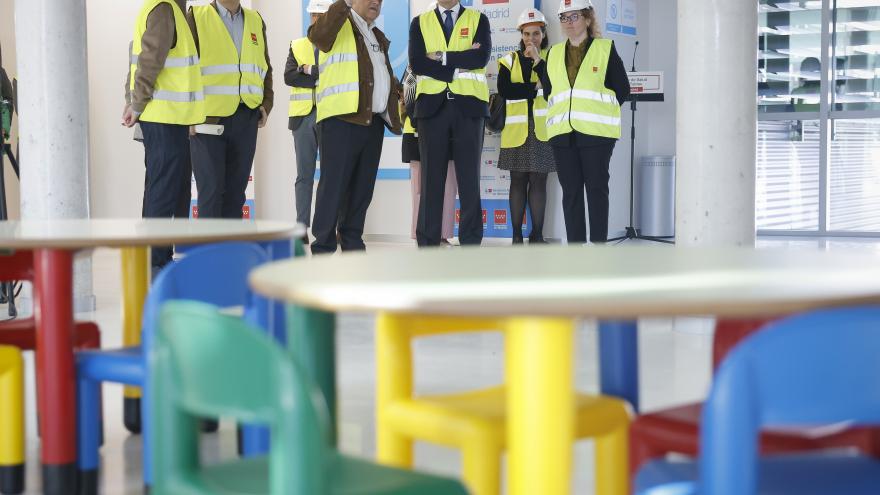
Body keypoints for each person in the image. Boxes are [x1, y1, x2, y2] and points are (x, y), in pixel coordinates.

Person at [308, 0, 402, 254]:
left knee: (361, 190)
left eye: (380, 0)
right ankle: (323, 247)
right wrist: (344, 4)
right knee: (333, 187)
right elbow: (318, 37)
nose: (376, 2)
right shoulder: (339, 21)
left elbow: (378, 75)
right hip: (341, 120)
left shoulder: (375, 34)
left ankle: (352, 243)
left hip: (372, 123)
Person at [534, 0, 629, 244]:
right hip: (562, 134)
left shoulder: (605, 48)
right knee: (571, 193)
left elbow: (622, 90)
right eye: (564, 18)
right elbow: (550, 92)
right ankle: (576, 247)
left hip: (596, 134)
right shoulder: (553, 53)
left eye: (574, 16)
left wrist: (595, 110)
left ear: (587, 19)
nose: (568, 23)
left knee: (596, 190)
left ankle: (598, 245)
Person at [124, 0, 205, 271]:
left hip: (170, 117)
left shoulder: (169, 9)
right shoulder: (164, 8)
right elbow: (148, 61)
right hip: (163, 116)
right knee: (163, 191)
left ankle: (156, 259)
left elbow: (135, 59)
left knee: (162, 188)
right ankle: (155, 262)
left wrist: (133, 101)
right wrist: (136, 104)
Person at [409, 0, 491, 247]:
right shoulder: (419, 22)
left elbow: (480, 57)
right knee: (431, 180)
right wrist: (454, 70)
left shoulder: (478, 19)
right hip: (432, 109)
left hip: (469, 108)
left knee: (469, 179)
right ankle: (428, 240)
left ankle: (471, 240)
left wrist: (441, 56)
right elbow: (418, 62)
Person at [187, 0, 273, 219]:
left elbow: (264, 66)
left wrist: (265, 104)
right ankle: (209, 252)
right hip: (208, 120)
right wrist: (188, 113)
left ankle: (230, 252)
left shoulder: (255, 20)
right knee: (211, 192)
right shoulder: (197, 16)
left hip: (246, 117)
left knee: (236, 194)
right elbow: (185, 68)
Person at [497, 8, 556, 244]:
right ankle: (516, 236)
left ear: (543, 35)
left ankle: (538, 235)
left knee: (539, 182)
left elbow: (552, 88)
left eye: (536, 34)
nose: (531, 39)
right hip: (516, 132)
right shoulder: (508, 60)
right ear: (521, 35)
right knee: (518, 181)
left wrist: (538, 62)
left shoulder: (551, 58)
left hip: (543, 132)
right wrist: (534, 88)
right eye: (526, 34)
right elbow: (505, 90)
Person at [286, 0, 332, 244]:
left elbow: (334, 76)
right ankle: (301, 228)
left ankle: (326, 229)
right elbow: (288, 76)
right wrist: (316, 74)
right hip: (303, 118)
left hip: (328, 116)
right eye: (315, 15)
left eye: (322, 15)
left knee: (329, 176)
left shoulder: (335, 45)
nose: (317, 19)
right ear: (311, 16)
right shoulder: (297, 45)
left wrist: (307, 70)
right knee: (304, 176)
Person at [401, 64, 458, 245]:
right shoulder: (415, 63)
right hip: (418, 132)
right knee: (420, 189)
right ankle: (422, 233)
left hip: (448, 133)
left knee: (449, 187)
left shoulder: (453, 60)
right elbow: (408, 95)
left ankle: (443, 233)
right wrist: (420, 121)